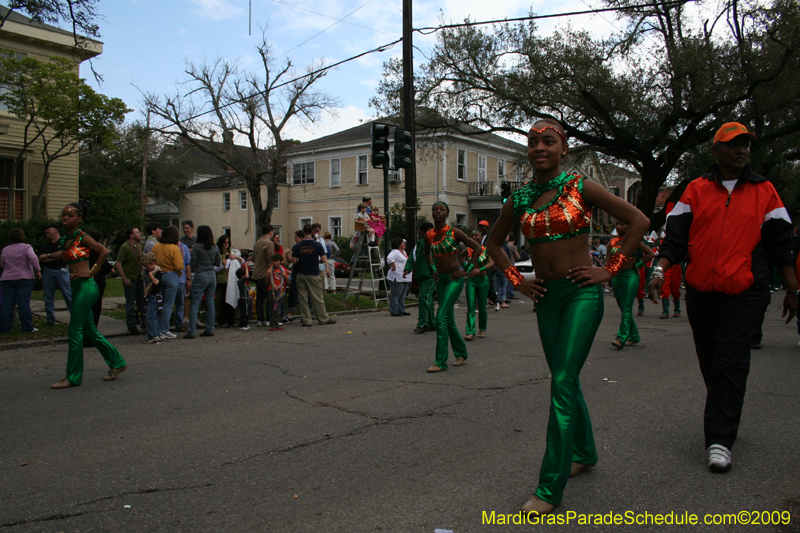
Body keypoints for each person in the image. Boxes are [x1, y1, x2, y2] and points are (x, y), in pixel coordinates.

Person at [487, 118, 649, 514]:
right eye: (532, 142)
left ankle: (549, 488)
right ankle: (584, 452)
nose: (539, 148)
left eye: (548, 141)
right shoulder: (520, 198)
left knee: (561, 381)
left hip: (581, 294)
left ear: (563, 148)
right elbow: (493, 243)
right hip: (546, 299)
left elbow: (639, 221)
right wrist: (517, 281)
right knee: (566, 378)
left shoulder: (581, 186)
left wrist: (610, 269)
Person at [647, 121, 798, 474]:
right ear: (716, 150)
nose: (741, 150)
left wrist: (793, 290)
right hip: (702, 292)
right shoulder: (695, 190)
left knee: (730, 362)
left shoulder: (765, 191)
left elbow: (781, 246)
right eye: (733, 144)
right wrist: (659, 270)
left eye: (746, 144)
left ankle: (719, 439)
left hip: (745, 292)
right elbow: (675, 240)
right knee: (711, 362)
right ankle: (725, 413)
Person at [50, 203, 128, 388]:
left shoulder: (82, 236)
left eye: (70, 215)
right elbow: (66, 254)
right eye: (64, 214)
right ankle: (117, 362)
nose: (65, 218)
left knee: (74, 331)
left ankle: (73, 376)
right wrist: (47, 256)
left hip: (86, 287)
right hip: (77, 287)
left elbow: (104, 251)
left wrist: (92, 272)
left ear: (79, 218)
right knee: (90, 331)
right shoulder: (67, 239)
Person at [425, 202, 482, 372]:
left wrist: (467, 270)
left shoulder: (454, 232)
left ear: (447, 214)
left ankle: (440, 361)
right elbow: (427, 253)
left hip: (454, 278)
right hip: (440, 280)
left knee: (440, 316)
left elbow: (477, 248)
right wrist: (432, 270)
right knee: (448, 320)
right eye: (435, 210)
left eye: (442, 210)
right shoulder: (428, 235)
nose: (438, 212)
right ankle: (461, 352)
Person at [607, 220, 655, 349]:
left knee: (627, 307)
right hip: (617, 278)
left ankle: (621, 338)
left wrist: (638, 264)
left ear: (629, 226)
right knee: (623, 308)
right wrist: (606, 275)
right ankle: (634, 336)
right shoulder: (611, 243)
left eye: (622, 224)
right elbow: (607, 263)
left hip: (631, 276)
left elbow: (650, 254)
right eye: (617, 224)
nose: (618, 227)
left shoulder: (634, 241)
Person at [291, 224, 336, 327]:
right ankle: (323, 318)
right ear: (312, 232)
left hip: (301, 274)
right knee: (317, 297)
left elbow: (294, 261)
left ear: (303, 232)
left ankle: (306, 320)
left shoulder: (298, 246)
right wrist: (323, 265)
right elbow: (323, 258)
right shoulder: (317, 245)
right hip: (313, 273)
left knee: (303, 298)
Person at [0, 228, 41, 334]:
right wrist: (37, 270)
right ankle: (27, 326)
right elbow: (33, 258)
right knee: (23, 303)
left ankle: (5, 327)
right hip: (24, 277)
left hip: (7, 278)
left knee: (8, 303)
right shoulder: (26, 247)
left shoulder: (5, 249)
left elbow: (2, 263)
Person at [184, 225, 220, 339]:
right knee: (210, 303)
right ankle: (210, 328)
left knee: (195, 303)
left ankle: (191, 331)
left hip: (200, 274)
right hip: (211, 275)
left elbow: (193, 262)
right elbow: (218, 263)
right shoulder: (215, 247)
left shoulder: (197, 247)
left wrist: (196, 269)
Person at [152, 226, 184, 340]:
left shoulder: (156, 246)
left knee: (159, 302)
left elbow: (152, 261)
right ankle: (164, 329)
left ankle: (156, 329)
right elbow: (179, 265)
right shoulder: (174, 248)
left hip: (159, 274)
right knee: (168, 304)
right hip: (171, 275)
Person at [462, 230, 495, 340]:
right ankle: (470, 332)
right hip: (471, 281)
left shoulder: (486, 250)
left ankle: (482, 328)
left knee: (482, 306)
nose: (474, 237)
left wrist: (480, 269)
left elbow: (492, 263)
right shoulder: (468, 250)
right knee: (471, 306)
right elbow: (461, 255)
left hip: (483, 281)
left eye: (476, 235)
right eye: (472, 236)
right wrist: (466, 267)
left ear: (481, 237)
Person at [37, 224, 73, 325]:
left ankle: (75, 316)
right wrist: (56, 257)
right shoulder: (46, 245)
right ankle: (50, 319)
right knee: (48, 296)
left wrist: (48, 255)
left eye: (48, 229)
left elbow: (64, 254)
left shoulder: (63, 242)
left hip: (62, 271)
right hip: (48, 271)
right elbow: (41, 258)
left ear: (55, 230)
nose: (46, 232)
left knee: (68, 294)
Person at [405, 222, 436, 334]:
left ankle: (422, 323)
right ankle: (432, 323)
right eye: (427, 231)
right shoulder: (419, 244)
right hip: (420, 275)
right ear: (422, 232)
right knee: (428, 299)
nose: (430, 233)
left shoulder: (435, 243)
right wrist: (407, 269)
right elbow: (412, 258)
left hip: (430, 275)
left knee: (424, 296)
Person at [115, 227, 144, 335]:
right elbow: (118, 263)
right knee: (130, 303)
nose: (140, 234)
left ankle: (144, 323)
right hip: (130, 279)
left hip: (140, 279)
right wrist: (125, 278)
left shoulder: (140, 247)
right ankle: (131, 325)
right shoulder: (125, 247)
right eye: (137, 232)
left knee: (143, 302)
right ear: (131, 235)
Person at [251, 225, 275, 327]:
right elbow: (269, 258)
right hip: (265, 273)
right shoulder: (269, 243)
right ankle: (268, 318)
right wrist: (272, 270)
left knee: (260, 298)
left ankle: (260, 319)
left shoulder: (257, 243)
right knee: (269, 296)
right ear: (271, 232)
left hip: (256, 273)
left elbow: (253, 258)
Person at [141, 252, 163, 344]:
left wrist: (150, 275)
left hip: (154, 296)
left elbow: (156, 282)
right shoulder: (148, 271)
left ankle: (154, 335)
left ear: (152, 263)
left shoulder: (157, 272)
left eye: (147, 266)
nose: (146, 268)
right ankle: (154, 334)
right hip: (150, 296)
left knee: (150, 316)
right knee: (151, 316)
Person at [386, 237, 411, 316]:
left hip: (404, 277)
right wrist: (394, 266)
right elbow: (389, 259)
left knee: (402, 294)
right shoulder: (395, 252)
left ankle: (401, 310)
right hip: (397, 276)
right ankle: (394, 311)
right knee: (396, 294)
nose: (405, 244)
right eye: (403, 243)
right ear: (399, 244)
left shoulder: (404, 252)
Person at [172, 239, 192, 332]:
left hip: (181, 279)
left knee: (180, 303)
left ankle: (179, 323)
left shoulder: (184, 247)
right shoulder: (166, 246)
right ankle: (163, 326)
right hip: (170, 277)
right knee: (168, 303)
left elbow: (187, 264)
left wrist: (188, 279)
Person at [221, 249, 243, 328]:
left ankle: (233, 319)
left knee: (233, 297)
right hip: (224, 281)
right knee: (225, 300)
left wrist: (236, 257)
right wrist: (224, 262)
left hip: (232, 282)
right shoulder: (226, 259)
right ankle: (226, 320)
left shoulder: (235, 261)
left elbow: (242, 261)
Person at [268, 253, 289, 331]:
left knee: (278, 308)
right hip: (272, 290)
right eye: (273, 261)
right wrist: (268, 275)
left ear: (280, 261)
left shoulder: (283, 269)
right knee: (273, 308)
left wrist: (284, 275)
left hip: (280, 291)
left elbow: (288, 281)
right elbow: (266, 282)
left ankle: (276, 323)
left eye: (277, 261)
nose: (275, 263)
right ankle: (273, 324)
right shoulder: (270, 270)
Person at [216, 234, 232, 325]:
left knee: (230, 299)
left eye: (228, 242)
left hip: (230, 279)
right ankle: (222, 319)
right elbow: (215, 268)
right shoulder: (219, 254)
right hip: (222, 279)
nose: (226, 244)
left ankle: (230, 319)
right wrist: (222, 264)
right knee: (223, 300)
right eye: (224, 242)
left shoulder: (231, 253)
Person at [236, 266, 251, 330]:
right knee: (244, 313)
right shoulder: (240, 282)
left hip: (246, 299)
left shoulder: (243, 283)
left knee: (246, 312)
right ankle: (243, 325)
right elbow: (247, 277)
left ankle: (245, 324)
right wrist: (246, 268)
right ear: (242, 276)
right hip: (243, 299)